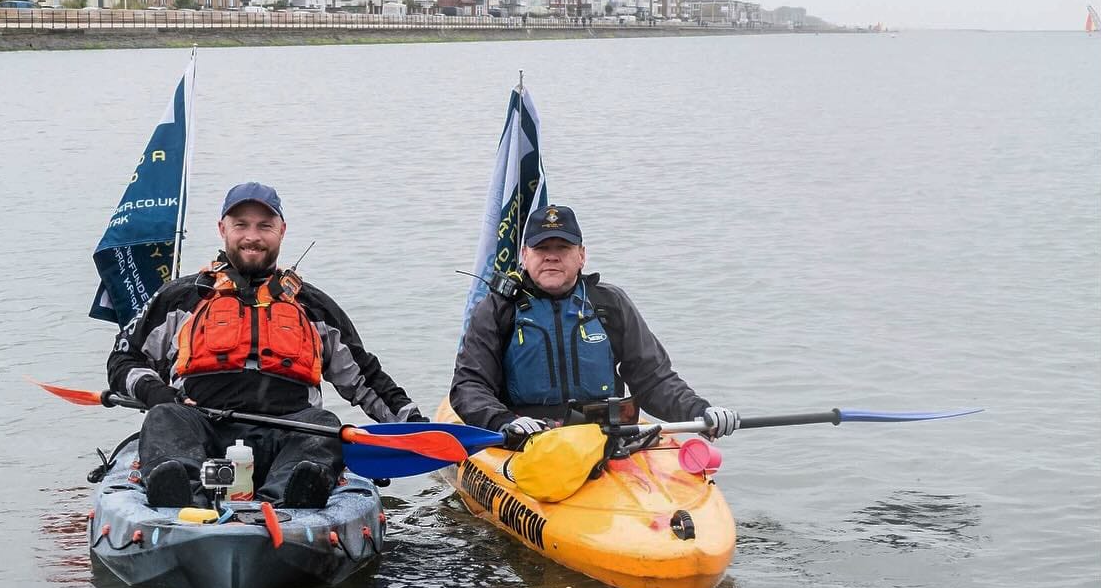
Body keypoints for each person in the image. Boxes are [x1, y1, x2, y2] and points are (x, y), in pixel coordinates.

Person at [108, 182, 427, 509]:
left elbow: (366, 379)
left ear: (281, 231)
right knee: (164, 417)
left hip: (288, 436)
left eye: (264, 226)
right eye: (241, 225)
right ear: (222, 229)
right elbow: (123, 360)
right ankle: (183, 498)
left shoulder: (313, 306)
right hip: (201, 430)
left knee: (324, 426)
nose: (252, 237)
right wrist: (155, 392)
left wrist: (415, 427)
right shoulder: (181, 298)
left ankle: (289, 500)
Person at [450, 203, 739, 444]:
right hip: (528, 439)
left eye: (562, 248)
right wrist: (502, 421)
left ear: (581, 256)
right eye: (541, 248)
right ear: (525, 256)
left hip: (604, 436)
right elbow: (469, 385)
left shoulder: (609, 304)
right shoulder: (497, 309)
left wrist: (700, 411)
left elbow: (654, 380)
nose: (551, 256)